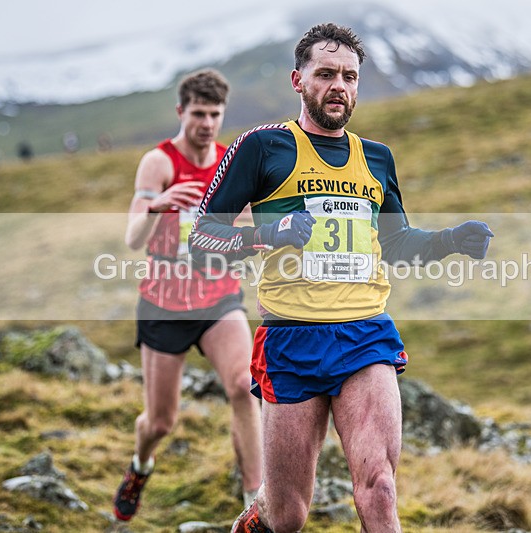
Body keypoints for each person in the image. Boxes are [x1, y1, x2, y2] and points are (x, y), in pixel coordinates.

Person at [190, 24, 493, 533]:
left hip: (364, 335)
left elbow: (396, 246)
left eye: (350, 76)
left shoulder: (377, 158)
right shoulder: (264, 147)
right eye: (326, 73)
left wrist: (448, 241)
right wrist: (274, 233)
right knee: (286, 516)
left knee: (379, 487)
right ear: (298, 79)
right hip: (291, 338)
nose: (339, 86)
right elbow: (203, 236)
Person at [113, 69, 262, 522]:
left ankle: (256, 503)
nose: (207, 123)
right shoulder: (158, 163)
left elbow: (243, 231)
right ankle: (141, 466)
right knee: (160, 423)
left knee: (244, 385)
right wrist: (161, 203)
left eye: (215, 114)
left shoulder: (228, 161)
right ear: (181, 112)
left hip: (218, 297)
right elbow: (133, 238)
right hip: (165, 304)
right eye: (198, 113)